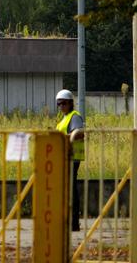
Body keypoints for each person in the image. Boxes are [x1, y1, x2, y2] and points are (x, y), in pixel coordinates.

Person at [55, 89, 85, 232]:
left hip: (72, 157)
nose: (61, 106)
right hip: (64, 157)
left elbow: (79, 133)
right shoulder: (64, 118)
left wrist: (62, 137)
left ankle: (74, 223)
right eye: (58, 103)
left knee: (71, 189)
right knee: (67, 188)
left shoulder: (75, 116)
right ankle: (68, 221)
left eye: (63, 103)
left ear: (70, 103)